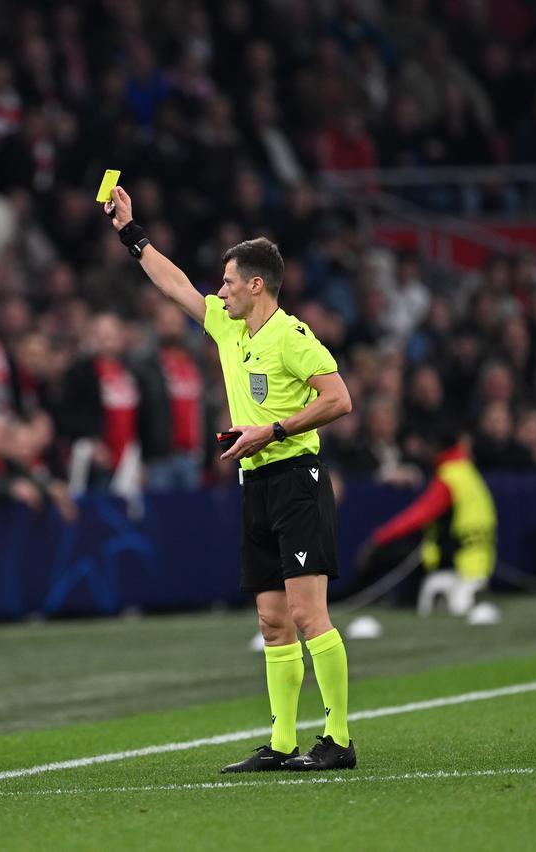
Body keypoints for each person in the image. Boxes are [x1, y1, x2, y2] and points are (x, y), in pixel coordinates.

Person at [105, 185, 357, 773]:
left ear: (256, 286)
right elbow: (174, 285)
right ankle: (284, 742)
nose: (218, 290)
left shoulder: (292, 339)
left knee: (306, 613)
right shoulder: (228, 326)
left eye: (227, 282)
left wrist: (273, 430)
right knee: (271, 620)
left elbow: (339, 398)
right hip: (257, 481)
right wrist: (131, 232)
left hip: (296, 475)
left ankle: (339, 739)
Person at [362, 431, 497, 617]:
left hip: (458, 563)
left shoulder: (450, 477)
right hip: (481, 560)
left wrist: (379, 538)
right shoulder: (467, 471)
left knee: (386, 554)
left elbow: (418, 515)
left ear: (436, 447)